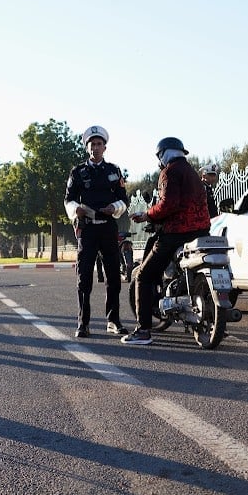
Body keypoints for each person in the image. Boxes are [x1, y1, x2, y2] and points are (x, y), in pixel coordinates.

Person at [122, 137, 211, 345]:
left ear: (163, 154)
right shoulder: (192, 173)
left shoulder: (170, 172)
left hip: (176, 233)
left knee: (143, 276)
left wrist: (147, 215)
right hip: (201, 232)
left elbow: (167, 204)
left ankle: (143, 331)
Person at [64, 125, 129, 338]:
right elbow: (68, 199)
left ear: (105, 147)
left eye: (99, 144)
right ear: (87, 148)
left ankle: (113, 320)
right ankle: (83, 323)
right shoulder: (78, 172)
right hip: (88, 229)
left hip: (109, 227)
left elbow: (124, 199)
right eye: (92, 144)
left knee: (113, 276)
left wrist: (115, 208)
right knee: (84, 278)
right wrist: (77, 210)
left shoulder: (114, 171)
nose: (96, 148)